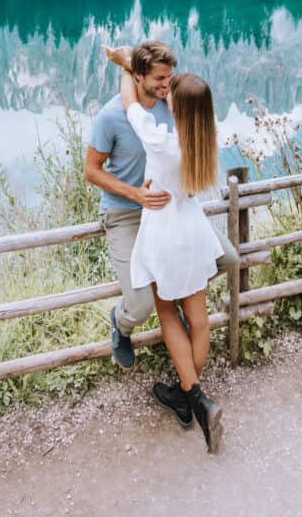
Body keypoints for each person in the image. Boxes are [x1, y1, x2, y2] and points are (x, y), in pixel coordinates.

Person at [84, 42, 236, 437]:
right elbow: (91, 170)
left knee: (171, 310)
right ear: (141, 79)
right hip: (146, 213)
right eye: (159, 79)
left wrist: (122, 65)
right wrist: (136, 193)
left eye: (170, 80)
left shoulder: (165, 123)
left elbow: (139, 109)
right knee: (190, 316)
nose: (167, 86)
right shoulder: (196, 132)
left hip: (167, 226)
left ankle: (191, 394)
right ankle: (180, 385)